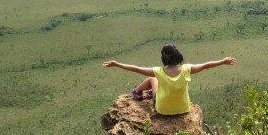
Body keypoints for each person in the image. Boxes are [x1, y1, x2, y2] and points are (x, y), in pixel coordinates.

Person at [102, 43, 237, 115]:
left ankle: (137, 93)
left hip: (163, 110)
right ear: (177, 55)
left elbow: (136, 68)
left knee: (152, 78)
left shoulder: (159, 72)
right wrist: (223, 61)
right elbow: (206, 65)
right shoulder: (187, 69)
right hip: (184, 109)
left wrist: (117, 64)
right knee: (157, 80)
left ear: (164, 57)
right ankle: (149, 93)